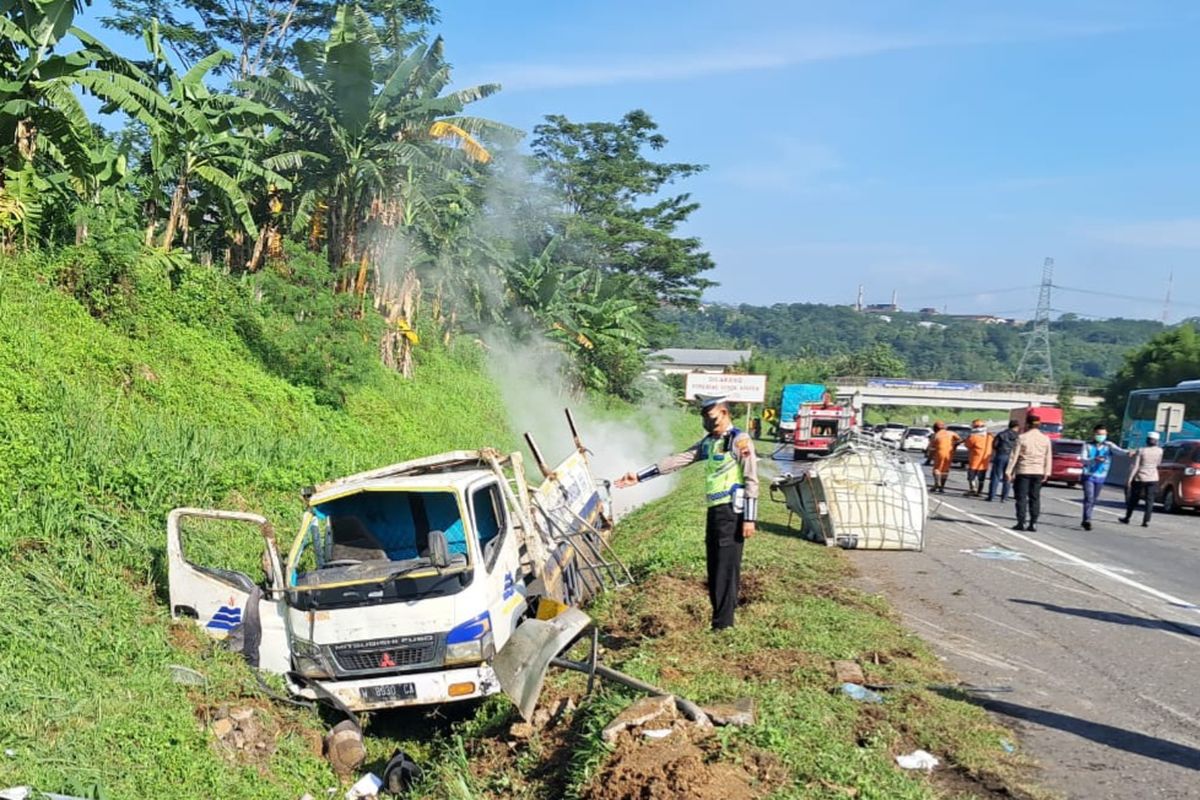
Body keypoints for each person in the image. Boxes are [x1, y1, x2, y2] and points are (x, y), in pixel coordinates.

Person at [614, 395, 757, 630]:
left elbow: (752, 479)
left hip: (733, 512)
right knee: (714, 566)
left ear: (724, 413)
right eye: (704, 420)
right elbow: (679, 460)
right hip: (715, 511)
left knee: (726, 568)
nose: (707, 424)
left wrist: (749, 518)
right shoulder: (709, 442)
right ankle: (719, 621)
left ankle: (723, 625)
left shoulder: (740, 441)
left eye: (711, 418)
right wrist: (639, 476)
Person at [1005, 415, 1052, 531]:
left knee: (1021, 498)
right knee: (1035, 498)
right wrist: (1047, 472)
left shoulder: (1022, 438)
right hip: (1038, 471)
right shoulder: (1045, 439)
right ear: (1039, 425)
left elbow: (1014, 456)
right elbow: (1048, 457)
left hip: (1023, 471)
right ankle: (1033, 523)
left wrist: (1009, 471)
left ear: (1027, 424)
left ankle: (1021, 522)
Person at [1080, 424, 1126, 530]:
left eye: (1104, 434)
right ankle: (1087, 519)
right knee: (1089, 497)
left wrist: (1129, 452)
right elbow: (1083, 459)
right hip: (1088, 475)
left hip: (1101, 476)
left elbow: (1119, 451)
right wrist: (1093, 460)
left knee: (1094, 499)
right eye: (1099, 434)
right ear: (1094, 434)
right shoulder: (1087, 445)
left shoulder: (1108, 445)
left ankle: (1086, 518)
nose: (1101, 436)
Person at [1122, 431, 1163, 527]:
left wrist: (1130, 478)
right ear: (1157, 441)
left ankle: (1127, 518)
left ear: (1147, 440)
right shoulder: (1160, 451)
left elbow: (1136, 465)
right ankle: (1146, 521)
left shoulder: (1142, 450)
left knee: (1134, 499)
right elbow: (1158, 463)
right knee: (1150, 500)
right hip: (1153, 477)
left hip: (1140, 478)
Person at [987, 420, 1020, 502]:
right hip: (1011, 457)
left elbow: (994, 445)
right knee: (1008, 476)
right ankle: (1004, 497)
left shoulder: (1001, 434)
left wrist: (998, 450)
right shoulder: (1018, 437)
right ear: (1016, 427)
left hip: (1001, 455)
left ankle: (991, 495)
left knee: (996, 476)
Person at [926, 421, 960, 494]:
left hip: (939, 453)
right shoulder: (951, 433)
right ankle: (941, 487)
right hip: (949, 454)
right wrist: (954, 446)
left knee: (937, 469)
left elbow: (931, 448)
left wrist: (929, 458)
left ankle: (937, 483)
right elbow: (959, 440)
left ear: (935, 428)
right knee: (945, 471)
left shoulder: (935, 435)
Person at [964, 419, 993, 497]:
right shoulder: (989, 437)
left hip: (974, 461)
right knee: (981, 479)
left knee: (971, 477)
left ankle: (973, 489)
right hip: (984, 462)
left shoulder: (973, 437)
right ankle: (979, 492)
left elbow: (967, 445)